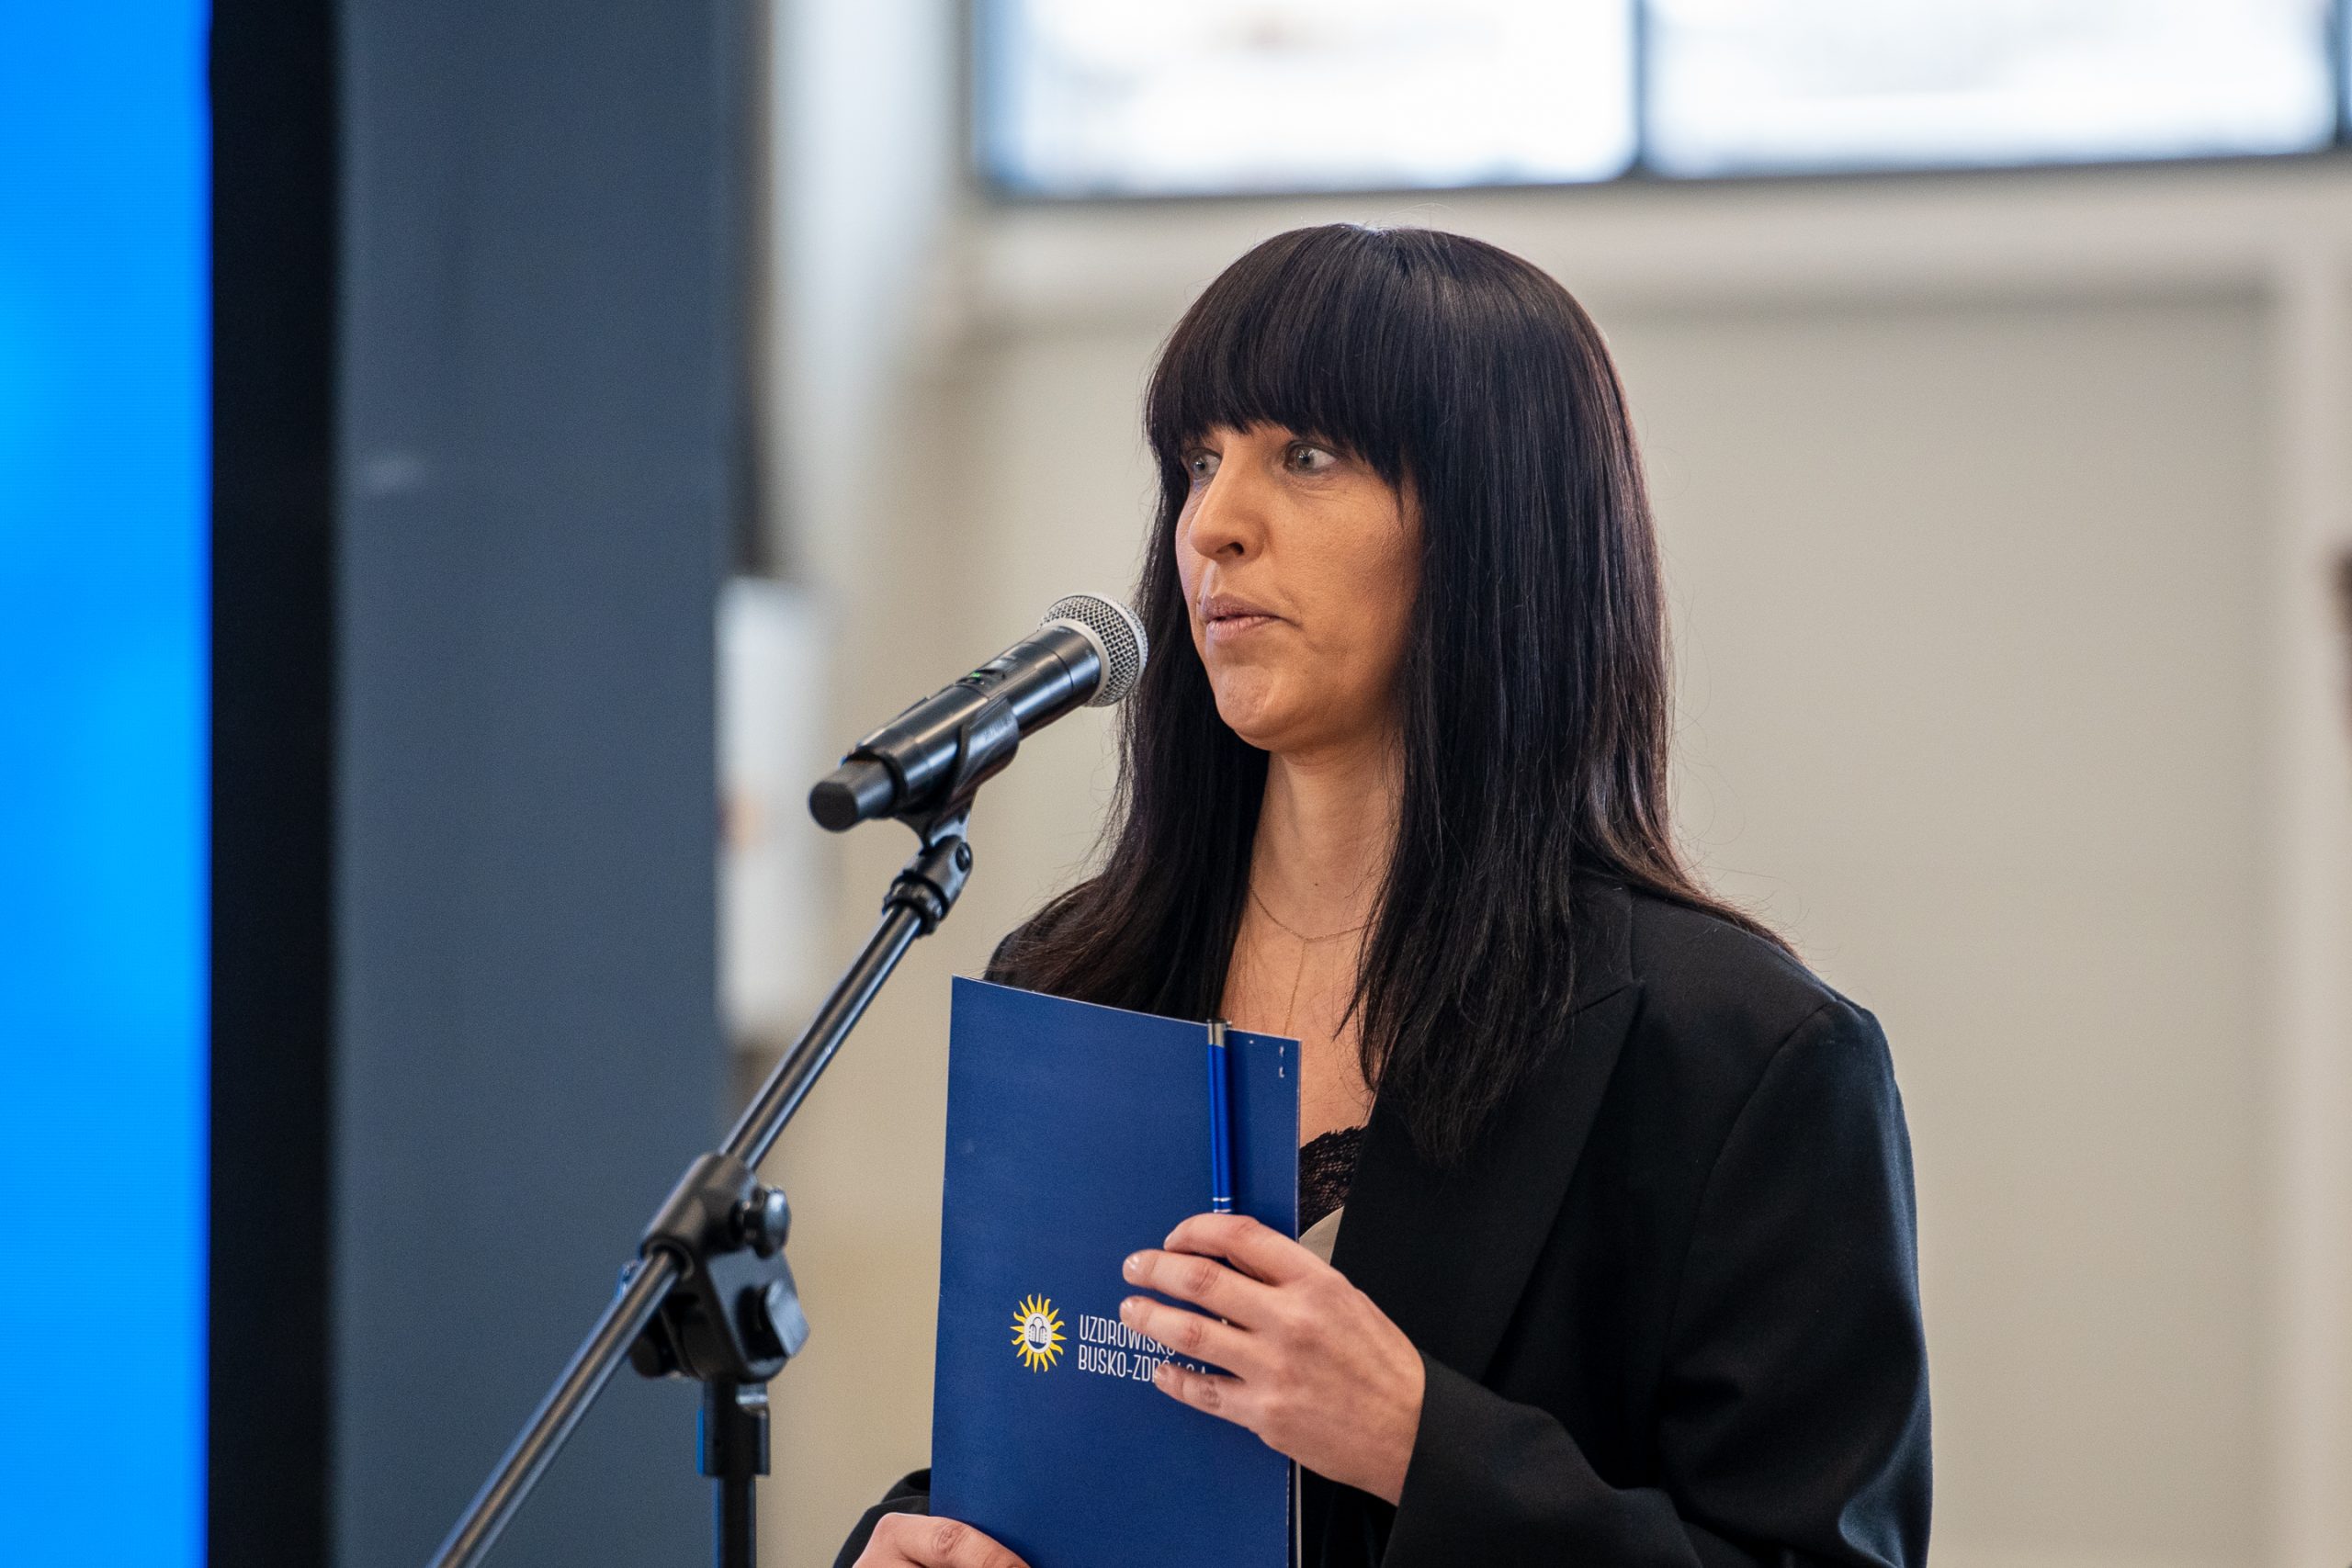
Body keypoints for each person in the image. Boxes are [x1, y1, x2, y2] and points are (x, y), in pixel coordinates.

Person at [838, 222, 1930, 1568]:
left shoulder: (1748, 1058)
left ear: (1495, 525)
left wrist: (1419, 1442)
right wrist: (913, 1540)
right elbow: (1038, 1449)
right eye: (1199, 460)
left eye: (1305, 455)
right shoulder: (1074, 984)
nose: (1213, 525)